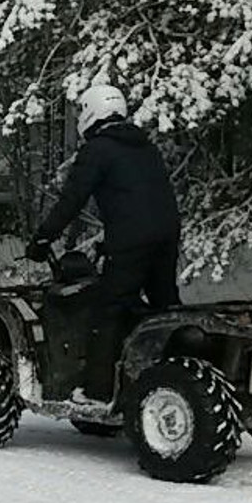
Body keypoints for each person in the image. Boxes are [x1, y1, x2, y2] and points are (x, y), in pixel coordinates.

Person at [26, 85, 182, 402]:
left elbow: (71, 200)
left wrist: (43, 239)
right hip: (166, 237)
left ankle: (97, 392)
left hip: (130, 241)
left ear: (92, 111)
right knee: (164, 309)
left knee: (107, 311)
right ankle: (172, 376)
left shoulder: (98, 149)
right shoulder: (143, 146)